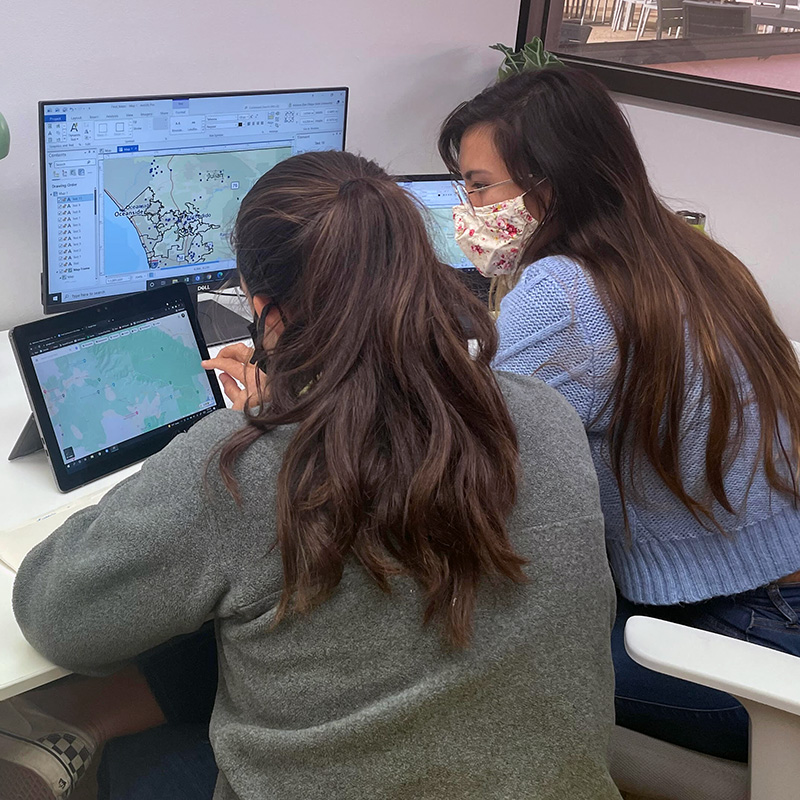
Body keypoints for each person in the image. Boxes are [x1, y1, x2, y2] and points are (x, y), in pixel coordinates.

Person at [5, 150, 621, 800]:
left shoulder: (245, 464)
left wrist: (256, 431)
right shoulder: (544, 415)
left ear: (265, 308)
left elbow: (56, 617)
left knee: (144, 757)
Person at [438, 66, 800, 763]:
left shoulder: (564, 292)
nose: (468, 207)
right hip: (775, 592)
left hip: (739, 639)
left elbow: (460, 450)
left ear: (547, 184)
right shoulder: (693, 254)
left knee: (458, 649)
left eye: (479, 185)